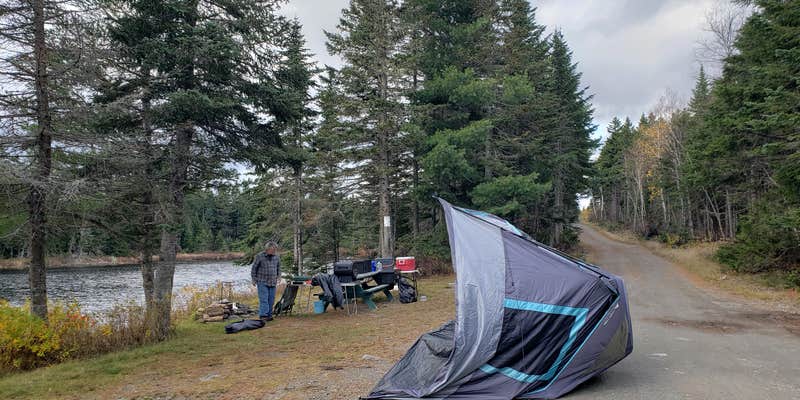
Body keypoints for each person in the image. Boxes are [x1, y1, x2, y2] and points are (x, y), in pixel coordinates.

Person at [251, 241, 281, 322]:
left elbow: (278, 268)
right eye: (273, 249)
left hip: (272, 282)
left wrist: (279, 277)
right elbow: (254, 268)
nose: (274, 251)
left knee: (271, 299)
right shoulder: (259, 256)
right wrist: (254, 279)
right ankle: (263, 316)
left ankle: (269, 315)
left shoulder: (277, 257)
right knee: (264, 299)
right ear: (267, 249)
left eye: (275, 249)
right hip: (262, 281)